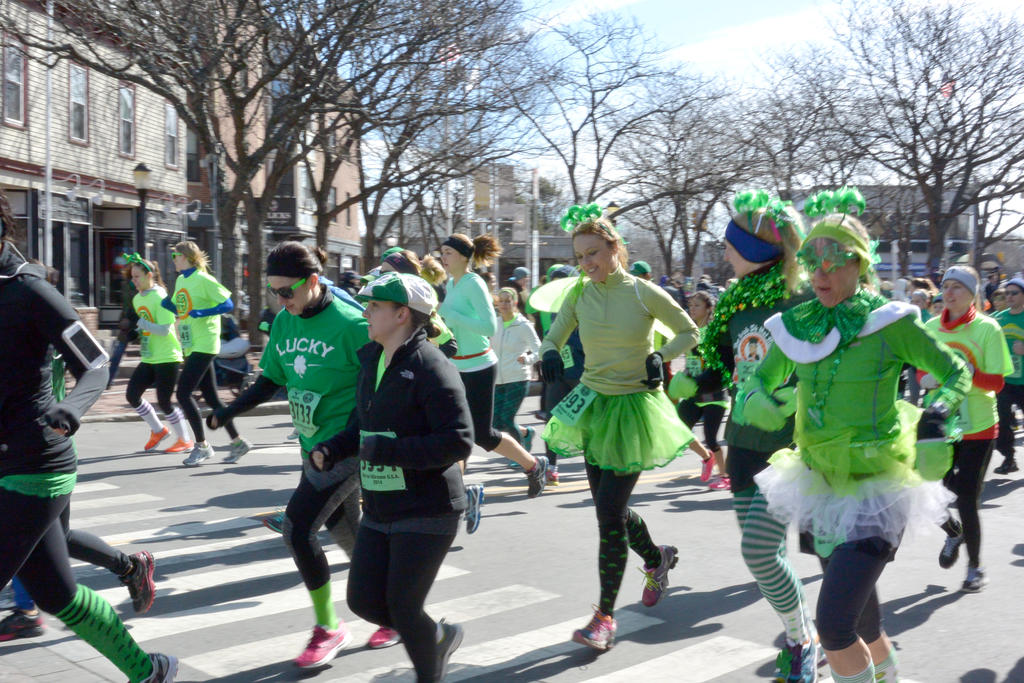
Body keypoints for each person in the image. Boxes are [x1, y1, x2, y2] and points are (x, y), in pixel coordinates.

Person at [736, 188, 971, 683]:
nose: (818, 275)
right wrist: (756, 398)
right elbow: (757, 377)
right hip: (816, 484)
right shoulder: (797, 325)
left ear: (859, 265)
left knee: (835, 626)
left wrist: (939, 415)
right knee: (863, 619)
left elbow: (955, 374)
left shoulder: (891, 324)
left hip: (874, 493)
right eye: (811, 262)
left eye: (831, 262)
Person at [0, 192, 176, 681]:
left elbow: (96, 363)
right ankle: (150, 671)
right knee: (56, 594)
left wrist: (73, 409)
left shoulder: (30, 291)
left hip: (35, 463)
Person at [206, 242, 401, 660]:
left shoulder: (353, 324)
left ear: (313, 281)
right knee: (348, 532)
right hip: (312, 448)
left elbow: (376, 397)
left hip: (346, 447)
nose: (280, 300)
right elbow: (269, 379)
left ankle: (329, 627)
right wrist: (229, 411)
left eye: (286, 291)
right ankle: (394, 612)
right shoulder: (284, 323)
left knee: (298, 528)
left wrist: (338, 444)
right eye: (274, 291)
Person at [539, 203, 705, 652]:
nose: (587, 263)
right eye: (580, 257)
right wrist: (550, 352)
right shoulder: (578, 293)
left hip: (633, 408)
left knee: (609, 514)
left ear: (616, 248)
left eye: (593, 253)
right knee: (606, 511)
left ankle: (604, 617)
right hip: (593, 406)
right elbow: (553, 335)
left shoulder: (642, 292)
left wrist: (660, 356)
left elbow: (691, 332)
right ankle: (657, 557)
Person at [672, 190, 820, 682]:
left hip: (790, 449)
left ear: (757, 250)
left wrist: (798, 399)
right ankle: (802, 633)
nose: (726, 252)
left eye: (733, 245)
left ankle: (803, 641)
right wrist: (689, 382)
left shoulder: (802, 297)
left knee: (758, 550)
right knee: (766, 558)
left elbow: (829, 361)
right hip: (742, 446)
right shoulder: (734, 299)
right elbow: (718, 365)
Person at [311, 272, 473, 683]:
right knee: (364, 601)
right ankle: (434, 637)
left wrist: (390, 453)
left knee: (403, 607)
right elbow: (360, 425)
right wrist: (332, 448)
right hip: (381, 506)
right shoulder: (372, 359)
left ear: (402, 314)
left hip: (428, 508)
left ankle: (428, 666)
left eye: (374, 306)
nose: (365, 313)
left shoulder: (431, 367)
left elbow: (459, 441)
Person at [438, 233, 549, 535]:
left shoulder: (473, 283)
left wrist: (451, 314)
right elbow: (455, 324)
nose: (443, 257)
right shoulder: (452, 283)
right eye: (442, 252)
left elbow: (488, 327)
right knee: (454, 433)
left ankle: (533, 466)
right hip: (457, 365)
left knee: (483, 435)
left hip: (480, 367)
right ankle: (462, 496)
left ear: (463, 256)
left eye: (448, 252)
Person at [924, 266, 1011, 592]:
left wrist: (966, 375)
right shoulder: (931, 327)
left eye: (958, 287)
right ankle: (953, 532)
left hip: (978, 425)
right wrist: (927, 379)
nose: (949, 292)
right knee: (932, 493)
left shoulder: (988, 329)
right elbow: (921, 373)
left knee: (966, 498)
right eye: (945, 286)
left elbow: (997, 382)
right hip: (942, 423)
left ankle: (975, 567)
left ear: (972, 293)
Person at [162, 241, 251, 466]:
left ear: (186, 257)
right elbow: (181, 309)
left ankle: (202, 446)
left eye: (175, 256)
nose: (173, 260)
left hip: (206, 342)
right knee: (211, 397)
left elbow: (228, 304)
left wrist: (204, 311)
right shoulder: (182, 280)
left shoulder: (204, 279)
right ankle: (238, 442)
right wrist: (166, 304)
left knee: (183, 394)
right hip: (191, 343)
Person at [123, 253, 193, 454]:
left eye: (137, 276)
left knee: (164, 401)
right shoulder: (138, 299)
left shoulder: (161, 296)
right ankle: (158, 430)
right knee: (132, 394)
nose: (133, 280)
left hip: (167, 356)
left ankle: (185, 439)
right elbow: (145, 326)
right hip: (149, 356)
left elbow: (164, 329)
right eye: (132, 277)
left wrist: (140, 323)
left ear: (149, 276)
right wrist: (134, 334)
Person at [671, 290, 730, 490]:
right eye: (691, 305)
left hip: (713, 393)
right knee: (679, 430)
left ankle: (724, 476)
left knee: (712, 438)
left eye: (697, 305)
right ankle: (707, 458)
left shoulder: (714, 332)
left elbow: (718, 364)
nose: (692, 309)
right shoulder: (690, 331)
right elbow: (690, 359)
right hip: (694, 392)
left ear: (708, 308)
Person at [492, 287, 541, 452]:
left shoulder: (523, 325)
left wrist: (527, 359)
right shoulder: (494, 323)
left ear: (515, 302)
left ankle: (520, 453)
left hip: (518, 378)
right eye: (501, 301)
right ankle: (526, 434)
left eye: (508, 301)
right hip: (497, 379)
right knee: (495, 423)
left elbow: (539, 349)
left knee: (506, 419)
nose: (504, 304)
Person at [993, 276, 1024, 474]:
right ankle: (1009, 458)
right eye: (1007, 293)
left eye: (1014, 293)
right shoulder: (998, 319)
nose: (1009, 297)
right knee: (1002, 423)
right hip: (1004, 380)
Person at [106, 256, 139, 389]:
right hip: (128, 321)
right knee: (118, 350)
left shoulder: (142, 285)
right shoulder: (126, 284)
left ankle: (154, 377)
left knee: (150, 351)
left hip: (141, 320)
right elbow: (125, 304)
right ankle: (109, 379)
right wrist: (123, 319)